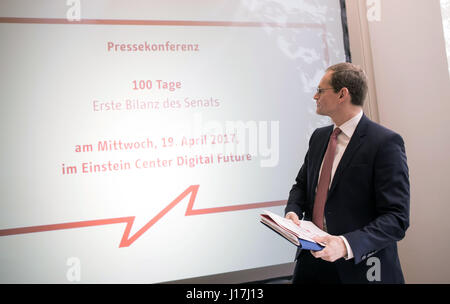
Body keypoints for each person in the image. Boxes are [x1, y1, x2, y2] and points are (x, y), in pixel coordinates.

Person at [285, 62, 410, 284]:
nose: (315, 96)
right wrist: (292, 212)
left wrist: (344, 245)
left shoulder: (385, 143)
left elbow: (396, 218)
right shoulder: (319, 137)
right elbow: (301, 186)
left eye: (320, 91)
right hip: (311, 264)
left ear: (342, 94)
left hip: (362, 269)